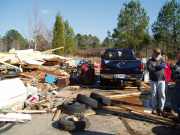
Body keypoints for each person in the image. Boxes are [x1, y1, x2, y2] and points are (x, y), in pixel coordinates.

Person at [147, 48, 166, 116]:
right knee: (154, 94)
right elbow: (150, 69)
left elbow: (164, 66)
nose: (158, 54)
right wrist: (158, 67)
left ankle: (161, 109)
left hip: (162, 80)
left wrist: (156, 66)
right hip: (153, 80)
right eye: (157, 53)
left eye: (159, 53)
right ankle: (154, 108)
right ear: (154, 53)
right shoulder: (150, 60)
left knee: (162, 94)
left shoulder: (162, 59)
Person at [172, 51, 180, 122]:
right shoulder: (176, 64)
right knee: (176, 102)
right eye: (177, 55)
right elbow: (173, 75)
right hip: (178, 84)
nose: (178, 56)